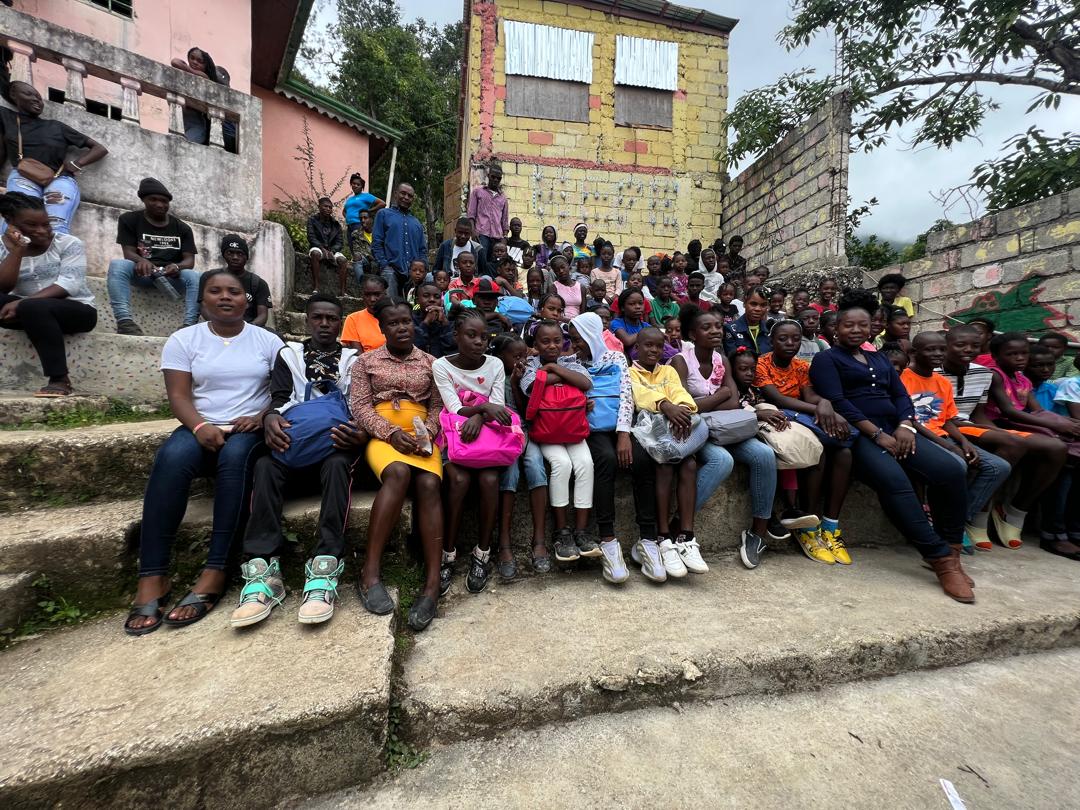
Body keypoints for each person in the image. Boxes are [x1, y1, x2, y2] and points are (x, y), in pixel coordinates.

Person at [124, 269, 285, 635]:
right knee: (170, 459)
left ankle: (216, 570)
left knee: (234, 462)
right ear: (202, 299)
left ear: (248, 299)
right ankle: (152, 576)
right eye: (215, 291)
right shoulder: (184, 340)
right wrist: (199, 426)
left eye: (234, 291)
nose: (225, 297)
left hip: (249, 427)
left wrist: (262, 416)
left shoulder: (268, 341)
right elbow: (178, 396)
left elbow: (284, 392)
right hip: (201, 424)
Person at [808, 290, 975, 603]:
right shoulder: (826, 359)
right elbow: (840, 402)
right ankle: (940, 560)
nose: (855, 330)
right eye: (848, 325)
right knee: (896, 483)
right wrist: (876, 435)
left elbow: (900, 396)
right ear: (836, 328)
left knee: (951, 470)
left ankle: (952, 551)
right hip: (858, 436)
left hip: (895, 429)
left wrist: (905, 426)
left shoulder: (878, 359)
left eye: (862, 324)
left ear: (873, 326)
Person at [230, 293, 366, 628]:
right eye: (317, 317)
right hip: (295, 437)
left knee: (338, 464)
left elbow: (361, 404)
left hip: (335, 439)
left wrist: (360, 432)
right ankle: (263, 569)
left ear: (340, 322)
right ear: (306, 320)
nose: (324, 324)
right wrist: (270, 418)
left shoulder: (353, 358)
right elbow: (279, 399)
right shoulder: (289, 355)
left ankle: (326, 563)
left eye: (331, 318)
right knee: (265, 465)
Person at [351, 297, 444, 631]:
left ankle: (432, 584)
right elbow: (360, 407)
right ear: (382, 328)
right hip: (383, 434)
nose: (402, 327)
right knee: (398, 473)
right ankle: (370, 572)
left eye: (407, 321)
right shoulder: (366, 362)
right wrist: (390, 433)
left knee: (430, 483)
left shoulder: (432, 363)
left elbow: (437, 406)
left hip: (421, 434)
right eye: (394, 323)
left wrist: (427, 434)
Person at [938, 324, 1068, 551]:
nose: (967, 349)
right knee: (1011, 444)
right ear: (946, 346)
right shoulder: (934, 372)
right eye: (960, 345)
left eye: (975, 345)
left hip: (971, 424)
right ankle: (977, 515)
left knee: (1055, 448)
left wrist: (998, 432)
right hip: (946, 426)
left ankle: (1015, 510)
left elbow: (977, 413)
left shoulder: (981, 373)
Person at [669, 306, 779, 569]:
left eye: (718, 326)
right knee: (722, 461)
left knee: (764, 455)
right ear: (693, 334)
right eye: (707, 328)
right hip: (696, 429)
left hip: (726, 426)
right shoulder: (680, 361)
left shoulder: (722, 359)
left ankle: (758, 533)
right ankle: (678, 527)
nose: (716, 331)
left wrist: (706, 402)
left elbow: (732, 401)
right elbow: (686, 405)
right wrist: (718, 398)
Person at [569, 312, 669, 582]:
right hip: (592, 428)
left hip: (619, 424)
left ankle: (647, 541)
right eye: (573, 339)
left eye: (578, 339)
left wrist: (624, 433)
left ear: (591, 336)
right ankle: (608, 540)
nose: (574, 343)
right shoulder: (571, 363)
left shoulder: (615, 358)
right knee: (605, 459)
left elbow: (626, 395)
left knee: (643, 460)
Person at [754, 319, 856, 565]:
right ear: (771, 340)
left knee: (844, 453)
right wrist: (821, 407)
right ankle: (807, 524)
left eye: (796, 339)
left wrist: (822, 402)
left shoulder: (800, 367)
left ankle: (830, 525)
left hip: (802, 415)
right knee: (816, 448)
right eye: (783, 339)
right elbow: (779, 399)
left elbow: (808, 392)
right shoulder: (762, 364)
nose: (790, 343)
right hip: (778, 415)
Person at [901, 331, 1013, 554]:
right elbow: (910, 420)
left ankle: (956, 521)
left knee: (998, 467)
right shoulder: (903, 378)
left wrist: (963, 442)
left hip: (944, 435)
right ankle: (944, 525)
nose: (937, 354)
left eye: (941, 349)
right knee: (957, 465)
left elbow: (947, 420)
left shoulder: (942, 382)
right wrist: (949, 446)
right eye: (930, 349)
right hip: (919, 436)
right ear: (914, 353)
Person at [433, 307, 513, 594]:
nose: (480, 341)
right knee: (458, 480)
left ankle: (482, 552)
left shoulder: (494, 365)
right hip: (456, 438)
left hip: (488, 440)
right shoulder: (441, 366)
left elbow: (499, 406)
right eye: (472, 335)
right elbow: (453, 408)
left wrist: (480, 415)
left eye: (484, 337)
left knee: (490, 480)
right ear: (456, 336)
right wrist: (481, 408)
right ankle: (448, 553)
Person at [0, 191, 97, 397]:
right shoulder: (2, 247)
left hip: (77, 310)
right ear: (10, 222)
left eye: (46, 223)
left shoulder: (68, 243)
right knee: (28, 307)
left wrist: (21, 304)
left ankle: (59, 379)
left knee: (31, 306)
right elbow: (3, 288)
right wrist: (17, 251)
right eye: (32, 225)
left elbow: (68, 284)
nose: (42, 230)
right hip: (28, 313)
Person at [630, 326, 701, 579]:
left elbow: (681, 393)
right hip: (649, 433)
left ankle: (686, 537)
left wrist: (680, 409)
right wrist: (665, 405)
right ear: (637, 347)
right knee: (664, 465)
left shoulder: (668, 370)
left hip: (675, 429)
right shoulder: (630, 372)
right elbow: (640, 397)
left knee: (690, 465)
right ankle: (662, 536)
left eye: (658, 346)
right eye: (648, 345)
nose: (653, 350)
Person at [521, 320, 595, 561]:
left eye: (556, 341)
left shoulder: (571, 361)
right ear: (535, 344)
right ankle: (562, 532)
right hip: (546, 431)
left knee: (585, 464)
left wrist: (553, 370)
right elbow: (530, 388)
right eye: (545, 341)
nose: (552, 346)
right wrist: (562, 377)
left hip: (573, 429)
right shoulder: (529, 365)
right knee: (562, 465)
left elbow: (586, 383)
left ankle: (581, 532)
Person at [0, 81, 107, 235]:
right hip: (24, 174)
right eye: (29, 94)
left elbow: (100, 149)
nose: (37, 99)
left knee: (56, 225)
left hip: (59, 177)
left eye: (39, 97)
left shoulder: (56, 126)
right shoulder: (6, 117)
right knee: (17, 221)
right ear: (13, 95)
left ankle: (52, 259)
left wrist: (76, 164)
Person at [106, 178, 200, 334]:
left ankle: (189, 327)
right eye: (153, 200)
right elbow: (128, 252)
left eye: (164, 201)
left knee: (194, 276)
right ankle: (125, 322)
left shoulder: (182, 227)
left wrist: (178, 266)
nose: (159, 204)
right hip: (143, 274)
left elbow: (189, 260)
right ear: (143, 200)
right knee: (119, 265)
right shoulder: (129, 220)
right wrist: (141, 260)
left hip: (171, 278)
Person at [494, 334, 552, 575]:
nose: (521, 361)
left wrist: (518, 383)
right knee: (510, 471)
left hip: (528, 430)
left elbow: (528, 413)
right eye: (515, 357)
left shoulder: (526, 376)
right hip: (505, 434)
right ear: (500, 358)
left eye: (524, 356)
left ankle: (539, 540)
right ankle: (504, 543)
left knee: (536, 466)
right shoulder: (496, 377)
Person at [372, 183, 427, 297]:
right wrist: (384, 264)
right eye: (403, 193)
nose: (406, 197)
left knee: (431, 280)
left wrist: (422, 268)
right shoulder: (383, 214)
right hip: (391, 269)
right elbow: (377, 243)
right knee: (390, 305)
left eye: (410, 196)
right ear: (395, 194)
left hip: (413, 272)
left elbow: (422, 249)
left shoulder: (416, 223)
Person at [212, 235, 271, 326]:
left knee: (277, 337)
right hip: (219, 326)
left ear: (246, 257)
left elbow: (263, 315)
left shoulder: (259, 283)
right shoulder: (211, 279)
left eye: (240, 253)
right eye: (230, 253)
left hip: (250, 327)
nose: (235, 257)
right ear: (224, 255)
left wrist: (247, 329)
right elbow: (205, 308)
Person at [170, 47, 222, 145]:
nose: (194, 62)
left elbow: (177, 64)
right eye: (192, 58)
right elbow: (174, 62)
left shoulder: (204, 76)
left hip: (196, 126)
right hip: (182, 123)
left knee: (181, 147)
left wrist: (186, 67)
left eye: (200, 61)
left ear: (206, 65)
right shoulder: (187, 75)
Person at [306, 197, 349, 296]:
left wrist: (332, 251)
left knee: (343, 260)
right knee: (315, 253)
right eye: (325, 206)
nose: (328, 209)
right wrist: (322, 249)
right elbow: (311, 237)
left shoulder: (336, 224)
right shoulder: (312, 220)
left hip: (331, 250)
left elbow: (339, 242)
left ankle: (343, 291)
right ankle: (316, 287)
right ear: (319, 207)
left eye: (330, 207)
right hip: (318, 247)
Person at [467, 163, 509, 255]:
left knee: (495, 265)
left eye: (498, 178)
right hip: (481, 235)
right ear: (488, 176)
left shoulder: (503, 198)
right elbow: (471, 215)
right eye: (493, 177)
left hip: (497, 237)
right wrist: (473, 232)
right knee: (481, 262)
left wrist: (505, 238)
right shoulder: (477, 192)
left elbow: (505, 221)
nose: (495, 180)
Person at [341, 274, 390, 353]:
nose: (372, 299)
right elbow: (358, 355)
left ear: (385, 294)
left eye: (377, 294)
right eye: (367, 295)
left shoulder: (394, 316)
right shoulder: (353, 319)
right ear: (362, 295)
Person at [723, 285, 773, 356]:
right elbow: (733, 359)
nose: (758, 309)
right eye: (753, 304)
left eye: (763, 305)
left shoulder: (770, 330)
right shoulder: (730, 329)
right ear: (744, 303)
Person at [412, 281, 455, 358]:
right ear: (417, 301)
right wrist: (425, 323)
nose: (432, 299)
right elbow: (414, 347)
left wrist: (445, 324)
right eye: (426, 296)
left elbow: (453, 350)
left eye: (436, 297)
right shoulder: (411, 320)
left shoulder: (448, 321)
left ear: (441, 302)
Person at [342, 173, 385, 245]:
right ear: (351, 184)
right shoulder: (350, 199)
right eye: (353, 183)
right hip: (349, 226)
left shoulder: (366, 196)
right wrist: (348, 218)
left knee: (360, 247)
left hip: (359, 224)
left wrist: (369, 211)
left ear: (362, 187)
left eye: (358, 184)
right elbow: (344, 211)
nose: (355, 186)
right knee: (352, 247)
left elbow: (382, 203)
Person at [550, 254, 588, 319]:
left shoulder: (581, 287)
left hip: (577, 324)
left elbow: (583, 313)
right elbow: (553, 312)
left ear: (568, 266)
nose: (561, 271)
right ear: (554, 272)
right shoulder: (553, 287)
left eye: (563, 267)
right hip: (560, 322)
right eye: (557, 270)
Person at [612, 288, 647, 354]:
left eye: (640, 303)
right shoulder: (616, 323)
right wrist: (647, 332)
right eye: (632, 304)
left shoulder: (646, 326)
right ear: (622, 308)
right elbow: (627, 341)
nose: (638, 307)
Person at [349, 208, 377, 281]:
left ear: (371, 219)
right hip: (366, 260)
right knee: (356, 256)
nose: (362, 220)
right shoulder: (356, 234)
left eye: (365, 218)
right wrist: (369, 256)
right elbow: (357, 250)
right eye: (361, 218)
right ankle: (362, 285)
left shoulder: (379, 233)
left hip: (379, 260)